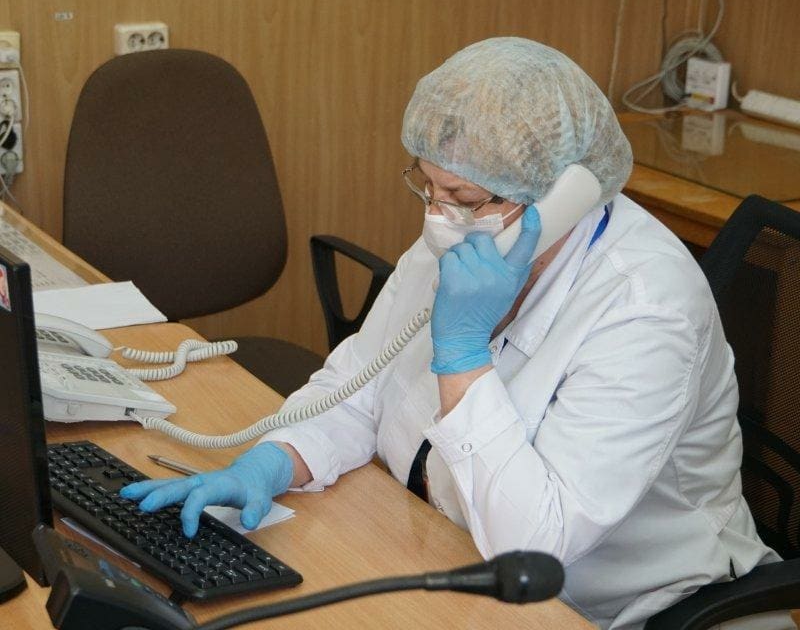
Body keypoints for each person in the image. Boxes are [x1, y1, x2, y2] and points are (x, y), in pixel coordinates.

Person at [121, 38, 785, 629]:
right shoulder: (466, 237)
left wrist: (462, 356)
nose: (438, 220)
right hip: (452, 549)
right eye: (429, 188)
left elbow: (536, 543)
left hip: (617, 608)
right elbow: (358, 389)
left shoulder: (646, 309)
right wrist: (273, 461)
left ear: (567, 197)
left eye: (464, 199)